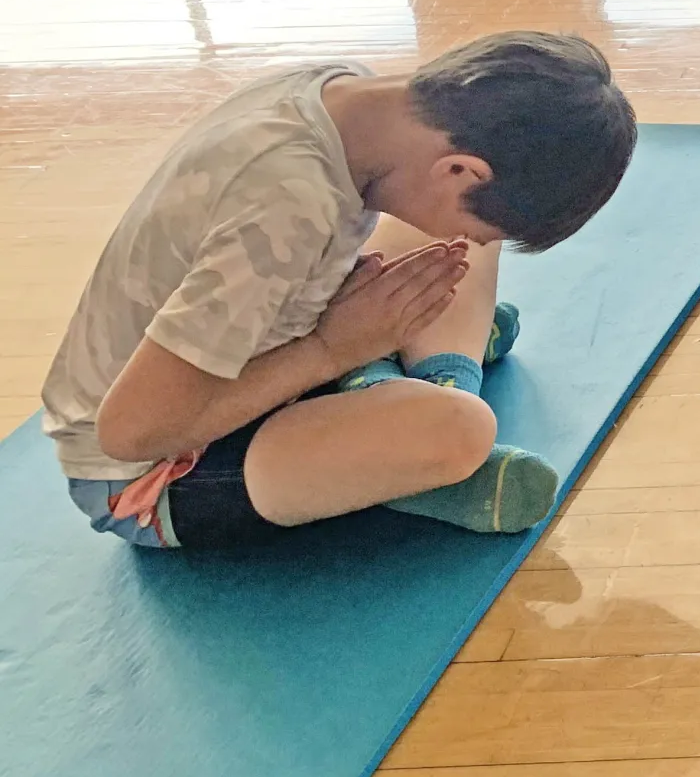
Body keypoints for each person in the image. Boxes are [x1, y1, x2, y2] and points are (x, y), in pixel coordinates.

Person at [44, 31, 637, 551]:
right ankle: (406, 406)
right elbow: (127, 434)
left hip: (258, 341)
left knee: (448, 250)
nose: (475, 237)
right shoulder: (283, 212)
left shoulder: (344, 93)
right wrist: (331, 351)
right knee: (461, 431)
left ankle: (417, 380)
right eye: (479, 219)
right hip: (156, 467)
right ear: (461, 170)